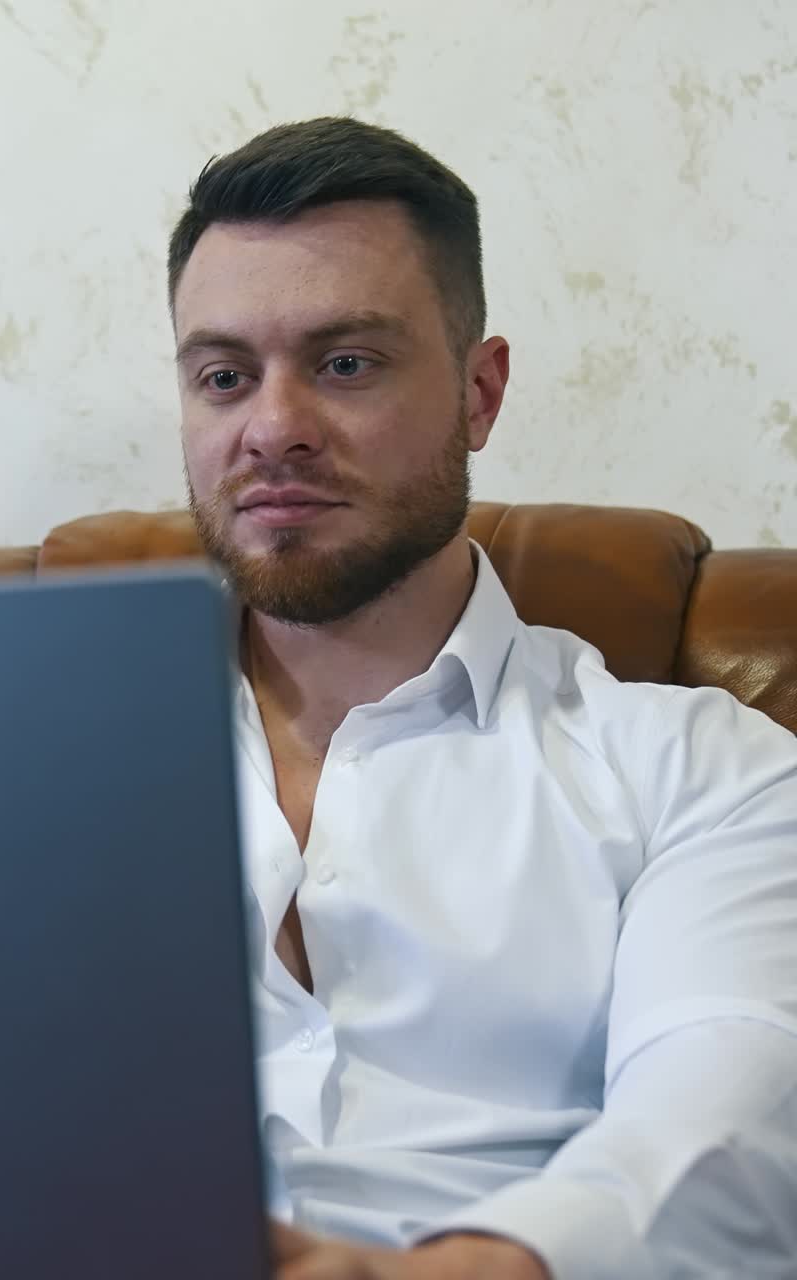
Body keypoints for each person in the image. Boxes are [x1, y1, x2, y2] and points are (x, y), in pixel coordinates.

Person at [168, 117, 797, 1279]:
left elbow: (730, 1106)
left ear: (478, 391)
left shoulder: (701, 772)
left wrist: (473, 1266)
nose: (271, 427)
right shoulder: (34, 769)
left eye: (344, 362)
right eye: (222, 375)